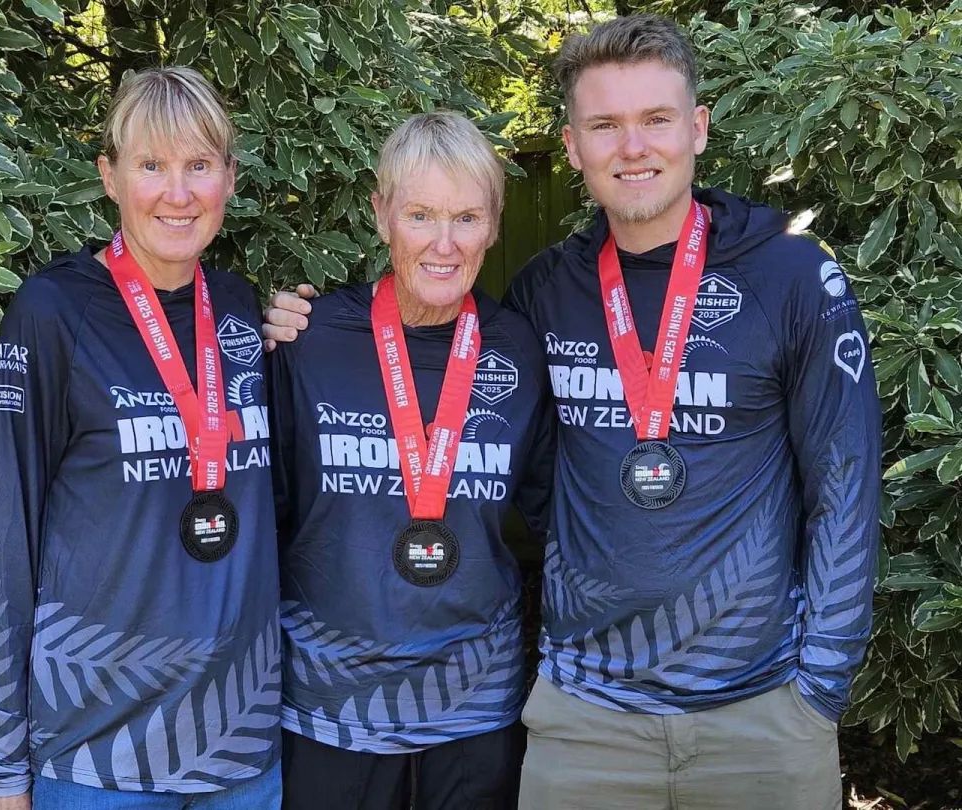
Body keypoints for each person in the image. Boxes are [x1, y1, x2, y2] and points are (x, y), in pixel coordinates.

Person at [263, 15, 881, 810]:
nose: (633, 147)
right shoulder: (546, 297)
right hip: (583, 721)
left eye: (655, 119)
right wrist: (291, 324)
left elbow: (848, 483)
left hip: (757, 713)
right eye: (605, 125)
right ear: (572, 146)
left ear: (697, 128)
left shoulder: (794, 279)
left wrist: (819, 686)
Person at [0, 67, 281, 810]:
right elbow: (4, 537)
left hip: (243, 753)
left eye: (199, 165)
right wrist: (1, 769)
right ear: (110, 176)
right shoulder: (53, 312)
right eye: (151, 166)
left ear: (229, 178)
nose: (178, 193)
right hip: (99, 760)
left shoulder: (237, 311)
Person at [270, 111, 554, 810]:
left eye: (467, 217)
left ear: (493, 224)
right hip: (332, 712)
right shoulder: (307, 341)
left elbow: (560, 520)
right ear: (381, 214)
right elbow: (262, 516)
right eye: (420, 214)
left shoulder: (518, 349)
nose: (444, 243)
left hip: (476, 709)